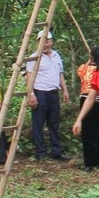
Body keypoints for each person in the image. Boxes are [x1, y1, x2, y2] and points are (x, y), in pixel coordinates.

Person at [26, 30, 71, 161]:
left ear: (51, 41)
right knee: (38, 123)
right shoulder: (34, 57)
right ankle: (40, 152)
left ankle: (56, 151)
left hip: (53, 92)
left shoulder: (57, 56)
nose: (45, 44)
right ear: (38, 42)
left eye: (47, 41)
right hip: (40, 91)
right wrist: (31, 94)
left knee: (54, 122)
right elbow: (29, 77)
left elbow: (60, 74)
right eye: (42, 41)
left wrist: (65, 90)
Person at [72, 48, 99, 174]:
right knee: (95, 136)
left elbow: (79, 72)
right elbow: (90, 98)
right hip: (98, 105)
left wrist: (90, 60)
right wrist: (79, 120)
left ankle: (91, 163)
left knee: (93, 135)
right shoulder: (98, 73)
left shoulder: (85, 68)